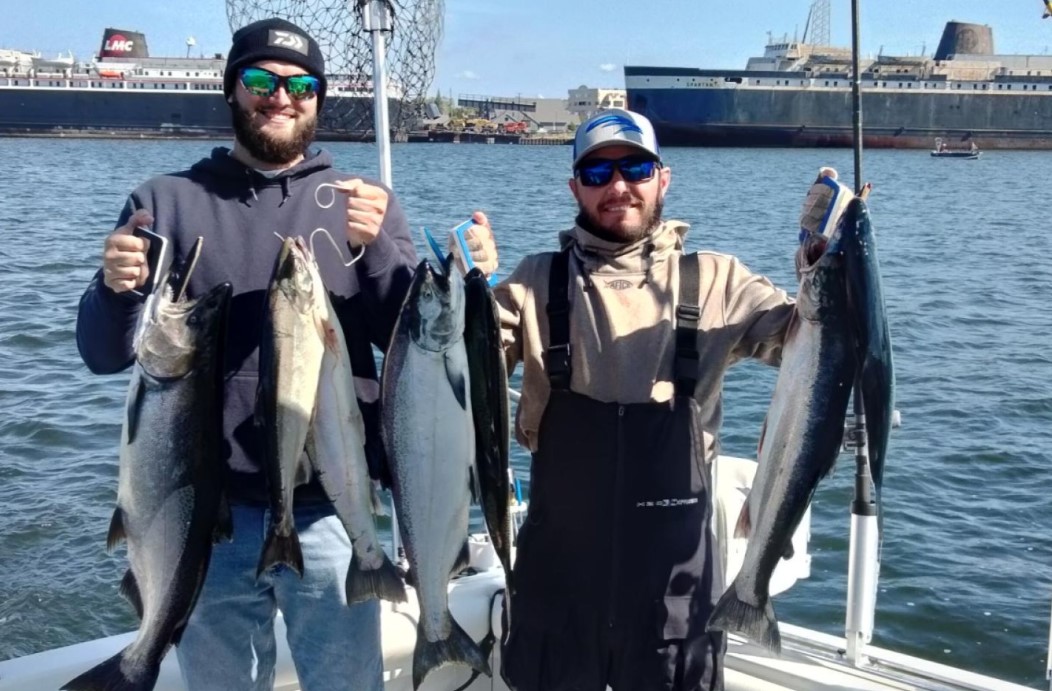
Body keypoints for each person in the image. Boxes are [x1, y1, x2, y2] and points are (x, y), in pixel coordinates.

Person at [453, 108, 852, 691]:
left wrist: (827, 263)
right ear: (574, 189)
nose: (618, 186)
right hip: (557, 588)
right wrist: (470, 288)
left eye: (635, 168)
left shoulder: (718, 280)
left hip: (675, 592)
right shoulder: (534, 283)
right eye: (597, 173)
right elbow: (455, 372)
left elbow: (814, 343)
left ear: (663, 178)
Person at [75, 18, 416, 691]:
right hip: (204, 513)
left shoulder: (361, 205)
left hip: (331, 509)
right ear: (231, 89)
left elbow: (407, 342)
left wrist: (378, 251)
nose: (281, 97)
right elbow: (102, 354)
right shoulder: (164, 203)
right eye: (261, 80)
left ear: (319, 98)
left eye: (301, 85)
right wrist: (114, 291)